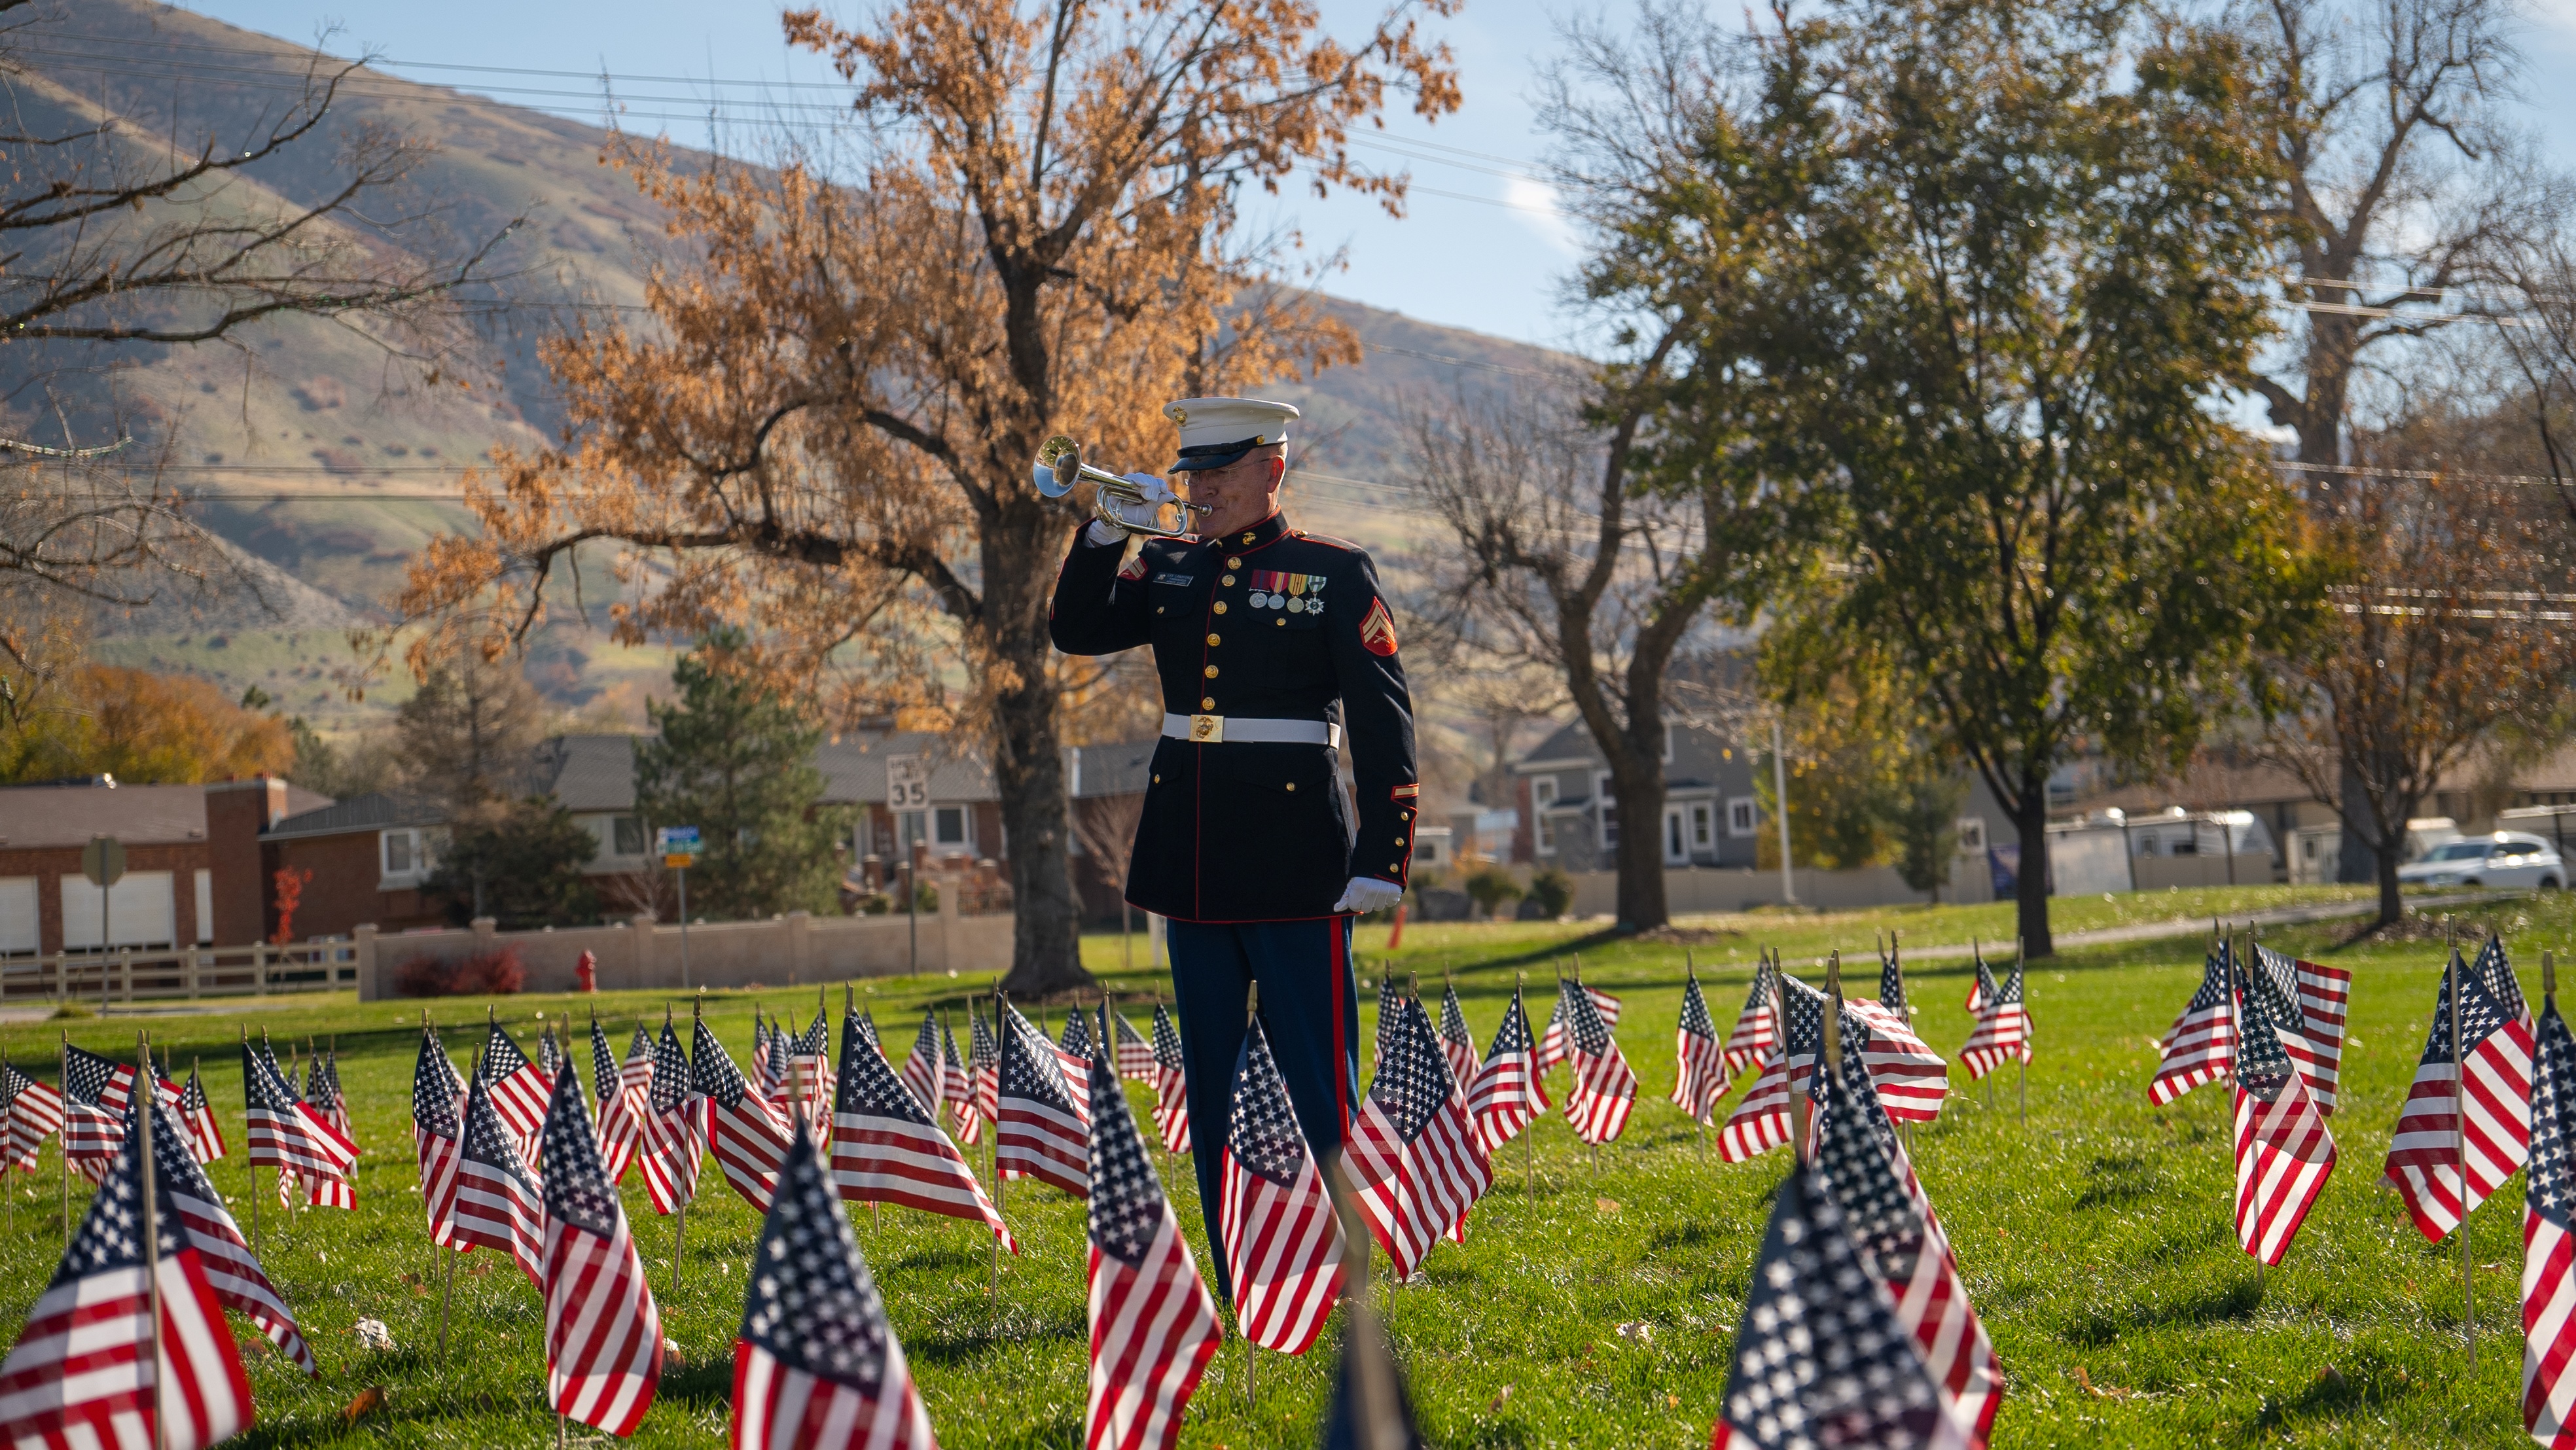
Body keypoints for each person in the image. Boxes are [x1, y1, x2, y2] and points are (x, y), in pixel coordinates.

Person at [1048, 397, 1416, 1290]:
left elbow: (1381, 718)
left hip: (1299, 863)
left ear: (1271, 470)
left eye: (1216, 473)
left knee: (1317, 1077)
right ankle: (1238, 1264)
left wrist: (1382, 857)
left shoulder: (1331, 571)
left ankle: (1345, 1264)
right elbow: (1077, 631)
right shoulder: (1169, 564)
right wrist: (1104, 537)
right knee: (1212, 1085)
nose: (1199, 490)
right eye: (1192, 475)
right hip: (1194, 859)